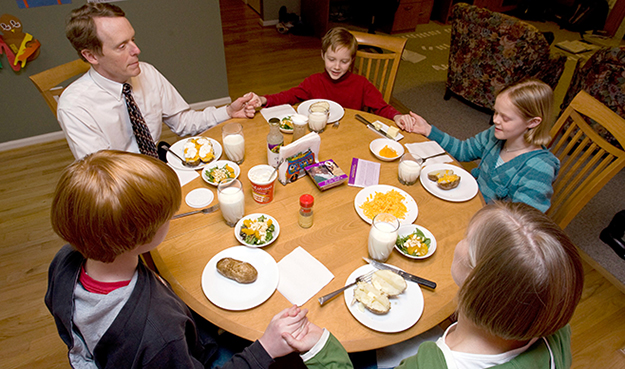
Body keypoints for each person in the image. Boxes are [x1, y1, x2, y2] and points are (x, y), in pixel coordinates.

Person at [45, 150, 312, 369]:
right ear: (142, 236)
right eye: (167, 216)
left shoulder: (64, 260)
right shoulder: (158, 332)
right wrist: (265, 349)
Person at [284, 201, 585, 369]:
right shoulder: (554, 323)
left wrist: (325, 352)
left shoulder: (431, 365)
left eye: (468, 237)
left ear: (477, 284)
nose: (459, 241)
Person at [58, 3, 256, 159]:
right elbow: (104, 174)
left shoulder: (146, 73)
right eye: (121, 46)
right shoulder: (75, 106)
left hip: (157, 164)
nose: (136, 50)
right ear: (91, 56)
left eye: (133, 39)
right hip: (123, 184)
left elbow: (184, 123)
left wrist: (229, 111)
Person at [402, 79, 560, 212]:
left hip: (489, 229)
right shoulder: (496, 134)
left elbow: (522, 224)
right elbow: (463, 151)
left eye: (505, 118)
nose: (496, 120)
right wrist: (429, 130)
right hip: (470, 204)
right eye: (496, 112)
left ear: (532, 122)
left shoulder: (539, 169)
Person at [247, 27, 417, 128]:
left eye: (344, 61)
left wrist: (397, 116)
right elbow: (289, 95)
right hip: (318, 132)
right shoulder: (313, 82)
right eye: (331, 59)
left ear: (352, 61)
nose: (336, 66)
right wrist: (263, 99)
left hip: (352, 134)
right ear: (322, 55)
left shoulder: (361, 84)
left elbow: (381, 107)